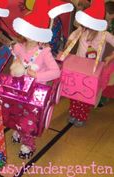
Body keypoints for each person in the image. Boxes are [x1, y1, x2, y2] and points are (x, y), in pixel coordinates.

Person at [9, 0, 61, 159]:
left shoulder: (44, 52)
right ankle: (18, 130)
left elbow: (56, 72)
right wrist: (14, 68)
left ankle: (28, 143)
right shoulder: (18, 47)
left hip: (36, 92)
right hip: (19, 89)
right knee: (16, 112)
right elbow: (14, 65)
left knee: (29, 119)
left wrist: (37, 76)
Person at [64, 0, 114, 127]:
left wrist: (110, 57)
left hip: (92, 70)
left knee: (85, 95)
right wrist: (68, 44)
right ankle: (74, 112)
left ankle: (81, 116)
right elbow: (71, 36)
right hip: (78, 67)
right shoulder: (82, 29)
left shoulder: (104, 34)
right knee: (75, 93)